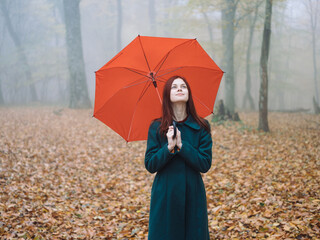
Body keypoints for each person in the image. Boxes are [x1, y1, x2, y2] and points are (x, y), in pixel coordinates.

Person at [144, 75, 213, 240]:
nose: (180, 88)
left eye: (183, 86)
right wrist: (168, 147)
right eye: (174, 87)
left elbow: (205, 164)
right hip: (165, 193)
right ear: (167, 94)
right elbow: (150, 164)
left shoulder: (202, 126)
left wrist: (182, 146)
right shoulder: (157, 127)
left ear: (189, 94)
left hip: (193, 192)